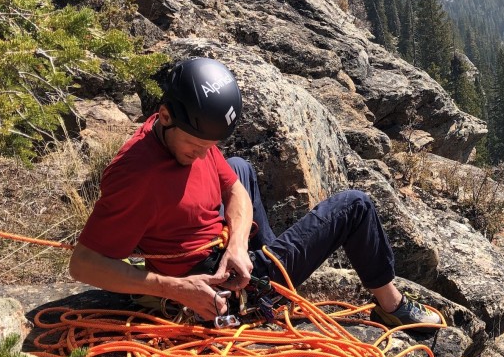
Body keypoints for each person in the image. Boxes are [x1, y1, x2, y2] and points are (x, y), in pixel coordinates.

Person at [69, 56, 441, 329]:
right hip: (213, 290)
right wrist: (177, 289)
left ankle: (265, 270)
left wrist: (235, 248)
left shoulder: (172, 129)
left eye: (208, 145)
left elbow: (233, 188)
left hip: (224, 258)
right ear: (165, 116)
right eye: (196, 145)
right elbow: (83, 263)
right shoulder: (136, 177)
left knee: (240, 168)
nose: (202, 154)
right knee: (355, 206)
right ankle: (390, 307)